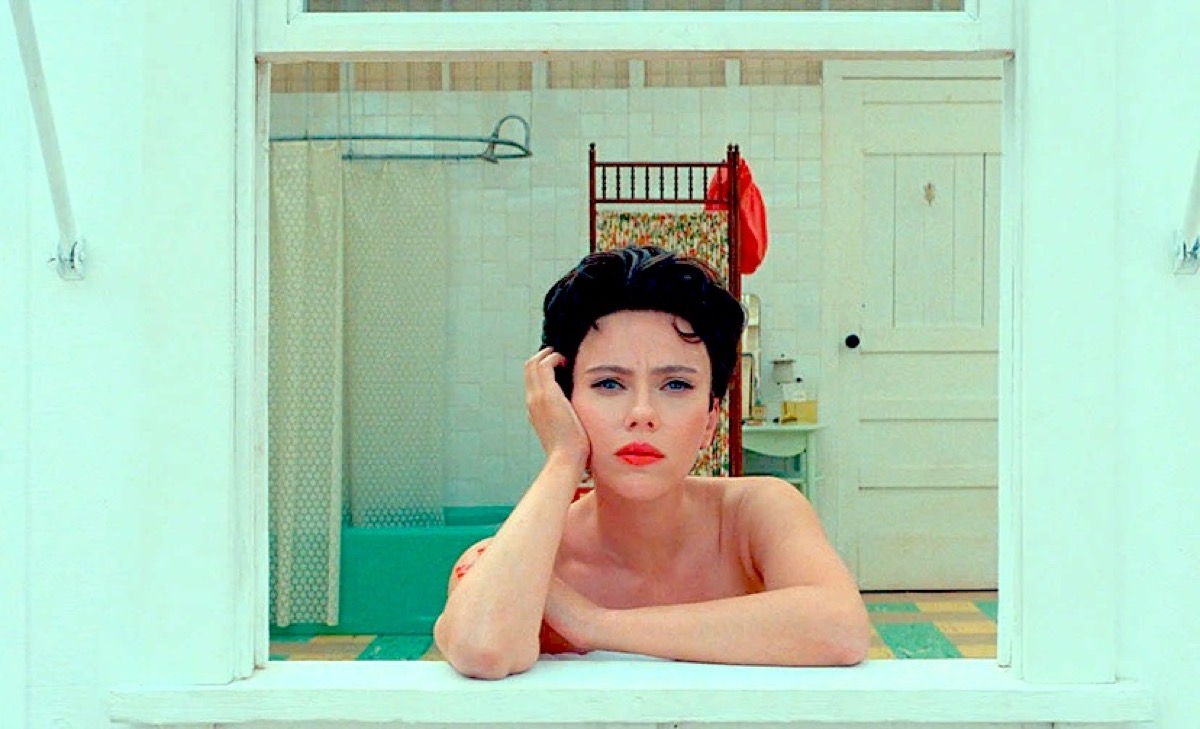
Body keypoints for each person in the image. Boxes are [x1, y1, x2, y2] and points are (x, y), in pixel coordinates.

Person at [433, 245, 870, 679]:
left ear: (710, 420)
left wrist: (592, 624)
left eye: (676, 385)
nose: (642, 413)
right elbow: (482, 649)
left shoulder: (754, 514)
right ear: (564, 404)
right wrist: (564, 458)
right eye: (609, 383)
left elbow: (840, 628)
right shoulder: (525, 561)